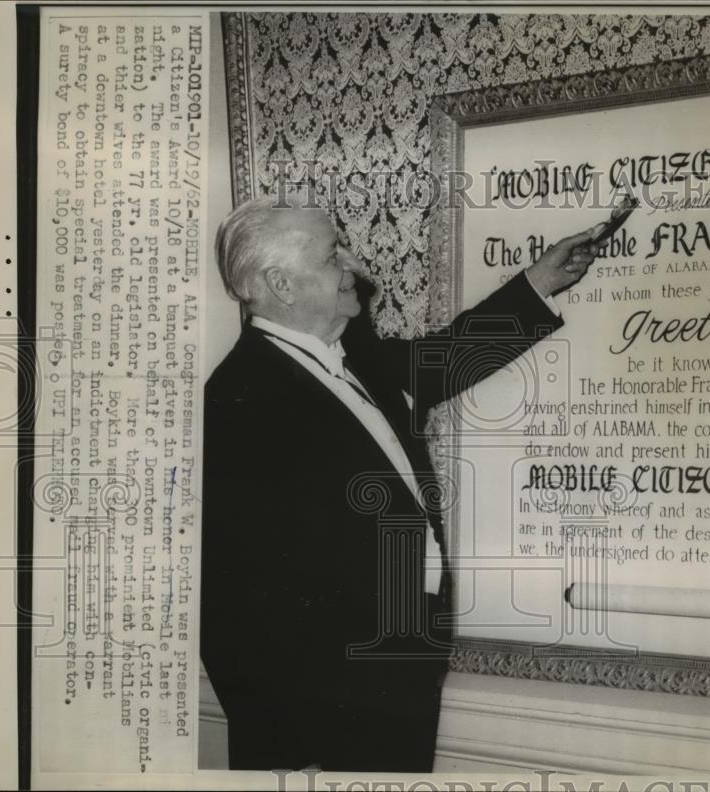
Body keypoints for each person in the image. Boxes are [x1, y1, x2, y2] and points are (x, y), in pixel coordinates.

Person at [201, 196, 595, 771]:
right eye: (334, 253)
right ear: (282, 284)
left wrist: (539, 282)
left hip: (400, 676)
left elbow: (447, 359)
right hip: (320, 723)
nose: (355, 264)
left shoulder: (354, 359)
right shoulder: (239, 400)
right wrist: (288, 749)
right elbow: (230, 601)